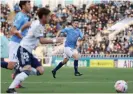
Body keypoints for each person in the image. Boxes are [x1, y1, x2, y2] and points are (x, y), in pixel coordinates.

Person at [6, 7, 63, 93]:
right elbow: (42, 41)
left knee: (41, 71)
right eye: (48, 16)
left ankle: (19, 68)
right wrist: (55, 40)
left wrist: (21, 30)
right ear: (43, 16)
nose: (49, 18)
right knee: (27, 69)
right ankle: (11, 89)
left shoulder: (37, 23)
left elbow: (28, 24)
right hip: (23, 49)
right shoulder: (38, 26)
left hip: (28, 51)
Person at [1, 0, 31, 88]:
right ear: (23, 6)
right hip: (16, 43)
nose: (30, 6)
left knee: (23, 64)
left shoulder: (26, 16)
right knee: (11, 66)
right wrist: (23, 38)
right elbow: (13, 30)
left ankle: (17, 81)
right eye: (28, 4)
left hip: (21, 44)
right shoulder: (20, 16)